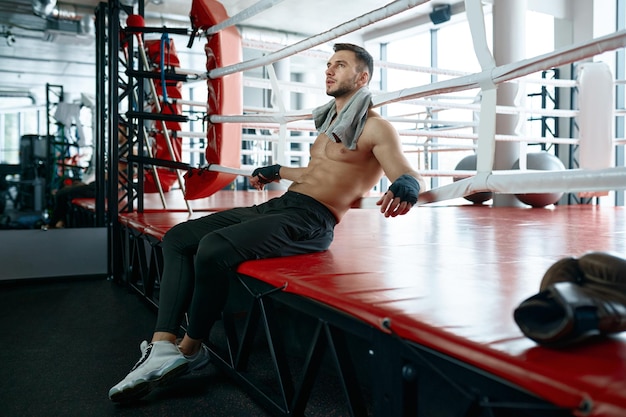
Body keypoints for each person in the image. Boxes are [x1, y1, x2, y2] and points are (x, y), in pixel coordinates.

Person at [108, 43, 425, 403]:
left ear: (362, 77)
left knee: (212, 249)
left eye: (340, 65)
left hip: (312, 220)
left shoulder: (376, 127)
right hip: (283, 204)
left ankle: (191, 349)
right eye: (329, 64)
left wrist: (406, 184)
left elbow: (405, 170)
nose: (329, 70)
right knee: (179, 238)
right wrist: (276, 170)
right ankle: (163, 345)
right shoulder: (330, 125)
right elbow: (316, 172)